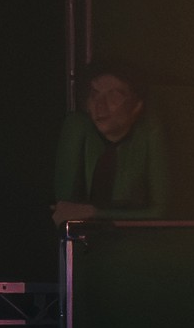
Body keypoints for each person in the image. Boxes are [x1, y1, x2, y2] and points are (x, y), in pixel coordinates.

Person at [49, 61, 169, 229]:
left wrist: (94, 213)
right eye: (94, 94)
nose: (100, 105)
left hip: (136, 237)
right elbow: (64, 207)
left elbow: (161, 211)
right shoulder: (78, 127)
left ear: (136, 106)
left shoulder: (149, 132)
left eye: (113, 96)